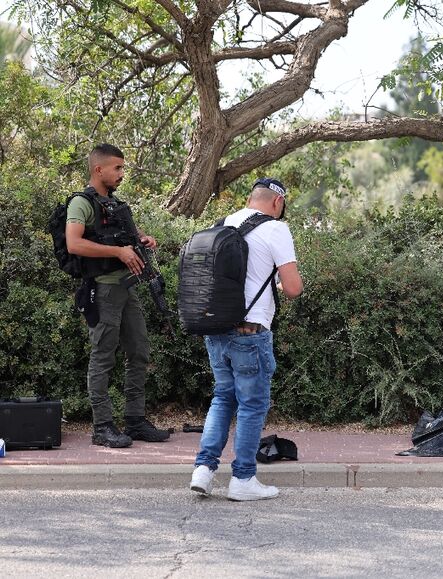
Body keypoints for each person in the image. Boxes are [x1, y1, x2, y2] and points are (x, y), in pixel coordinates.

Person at [189, 177, 303, 501]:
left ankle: (204, 470)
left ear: (251, 198)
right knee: (252, 405)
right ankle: (243, 479)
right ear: (277, 203)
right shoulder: (276, 230)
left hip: (216, 329)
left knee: (223, 398)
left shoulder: (223, 224)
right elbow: (293, 288)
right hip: (249, 333)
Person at [65, 144, 171, 448]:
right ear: (99, 169)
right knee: (102, 357)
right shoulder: (80, 204)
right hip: (103, 290)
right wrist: (117, 252)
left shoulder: (114, 204)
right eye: (118, 168)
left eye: (122, 168)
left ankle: (135, 421)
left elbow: (125, 239)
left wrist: (141, 240)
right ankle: (102, 427)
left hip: (127, 288)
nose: (122, 174)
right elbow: (74, 244)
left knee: (138, 352)